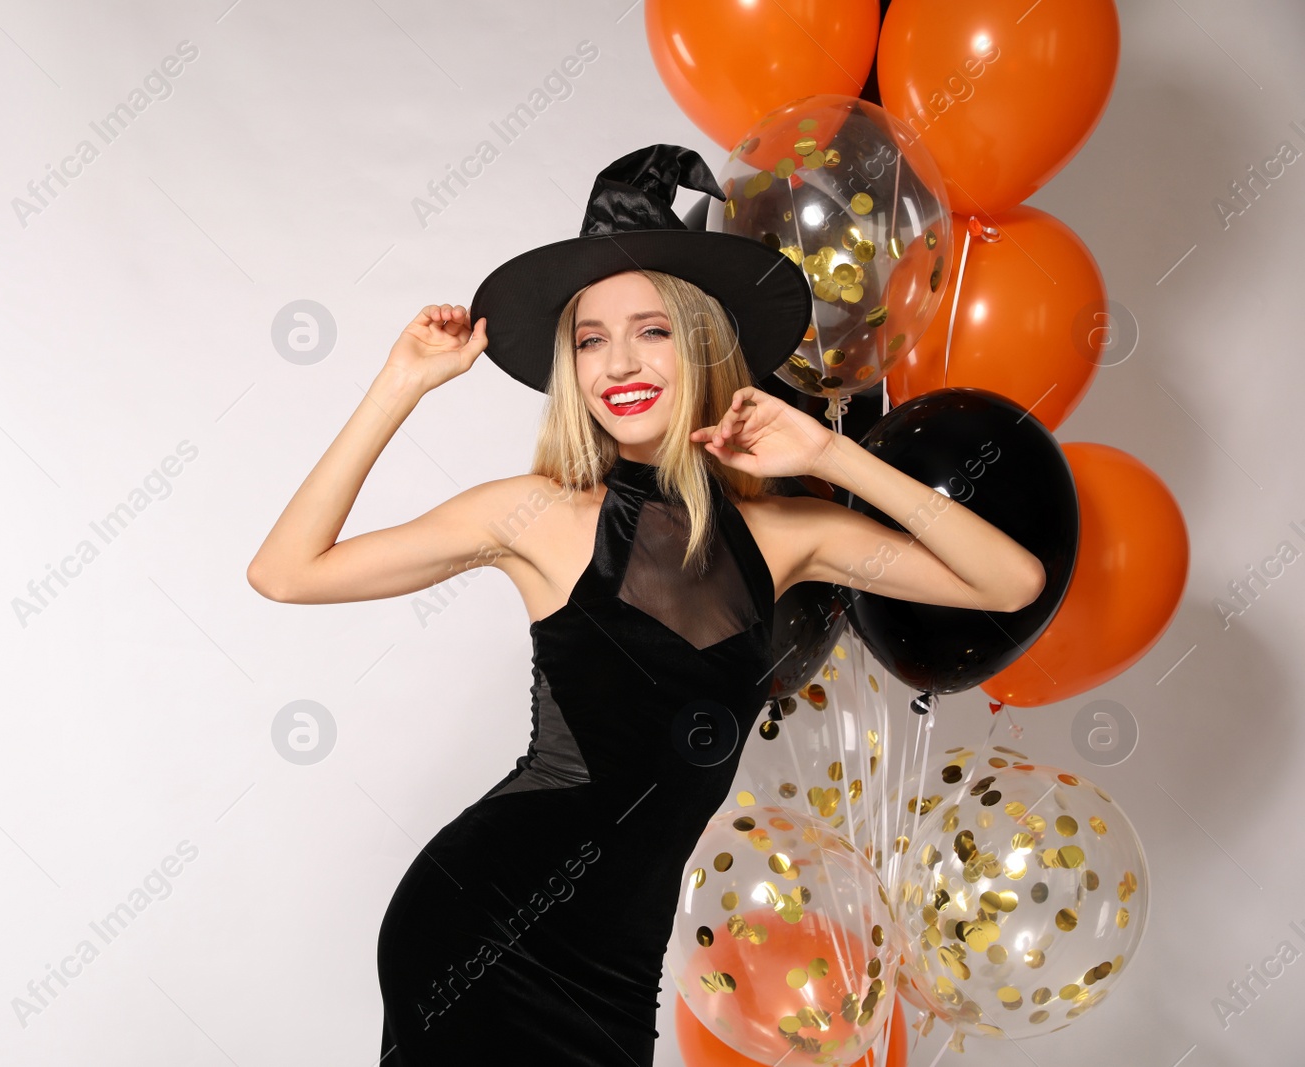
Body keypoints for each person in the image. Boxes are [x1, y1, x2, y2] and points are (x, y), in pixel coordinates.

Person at [246, 146, 1044, 1066]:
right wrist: (403, 383)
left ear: (702, 339)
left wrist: (832, 458)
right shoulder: (538, 512)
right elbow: (286, 570)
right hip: (482, 928)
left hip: (615, 968)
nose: (618, 362)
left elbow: (1007, 584)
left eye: (652, 330)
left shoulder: (790, 534)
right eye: (590, 339)